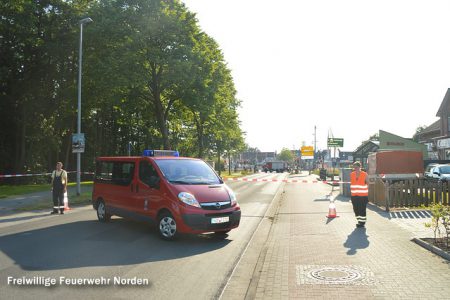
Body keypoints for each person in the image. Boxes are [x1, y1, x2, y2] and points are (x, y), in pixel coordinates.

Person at [350, 161, 369, 228]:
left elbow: (368, 183)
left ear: (360, 167)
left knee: (362, 210)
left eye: (357, 167)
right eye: (354, 167)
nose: (355, 169)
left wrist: (366, 192)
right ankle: (359, 220)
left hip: (363, 196)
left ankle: (362, 223)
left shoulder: (364, 174)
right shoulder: (352, 174)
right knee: (356, 209)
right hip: (354, 196)